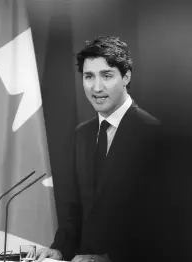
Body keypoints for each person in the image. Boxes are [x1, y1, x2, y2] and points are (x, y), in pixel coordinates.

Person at [36, 36, 164, 262]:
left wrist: (108, 258)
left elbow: (164, 224)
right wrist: (59, 249)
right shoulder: (82, 134)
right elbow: (75, 210)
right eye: (89, 76)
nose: (96, 87)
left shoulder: (154, 134)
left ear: (126, 77)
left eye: (106, 76)